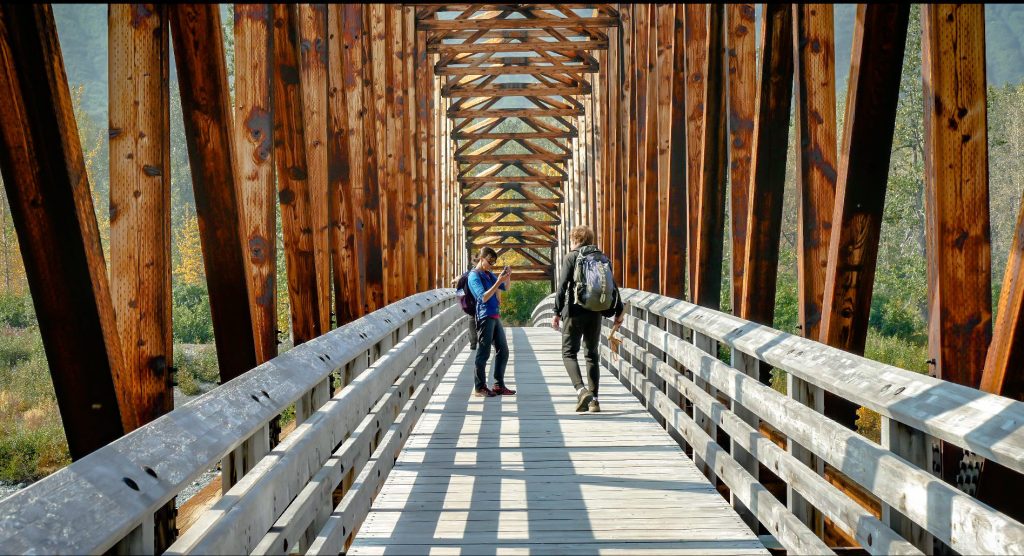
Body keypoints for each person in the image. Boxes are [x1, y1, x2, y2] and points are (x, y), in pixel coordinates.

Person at [552, 225, 624, 412]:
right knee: (591, 354)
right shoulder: (602, 258)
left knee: (568, 353)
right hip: (595, 312)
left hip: (574, 312)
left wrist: (556, 312)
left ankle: (581, 390)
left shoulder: (571, 257)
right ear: (591, 239)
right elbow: (613, 287)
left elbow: (561, 288)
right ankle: (595, 401)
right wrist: (619, 311)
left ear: (574, 239)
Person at [467, 247, 517, 398]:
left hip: (494, 316)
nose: (491, 265)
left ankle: (498, 385)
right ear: (482, 259)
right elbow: (482, 297)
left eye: (494, 262)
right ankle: (480, 387)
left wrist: (507, 276)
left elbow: (505, 288)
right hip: (484, 317)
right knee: (483, 353)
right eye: (490, 261)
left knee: (503, 350)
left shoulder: (488, 274)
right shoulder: (474, 276)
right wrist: (497, 283)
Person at [451, 273, 478, 350]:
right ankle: (485, 340)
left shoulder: (464, 276)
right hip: (478, 302)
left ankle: (473, 342)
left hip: (470, 304)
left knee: (472, 322)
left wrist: (463, 305)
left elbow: (460, 294)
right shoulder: (478, 274)